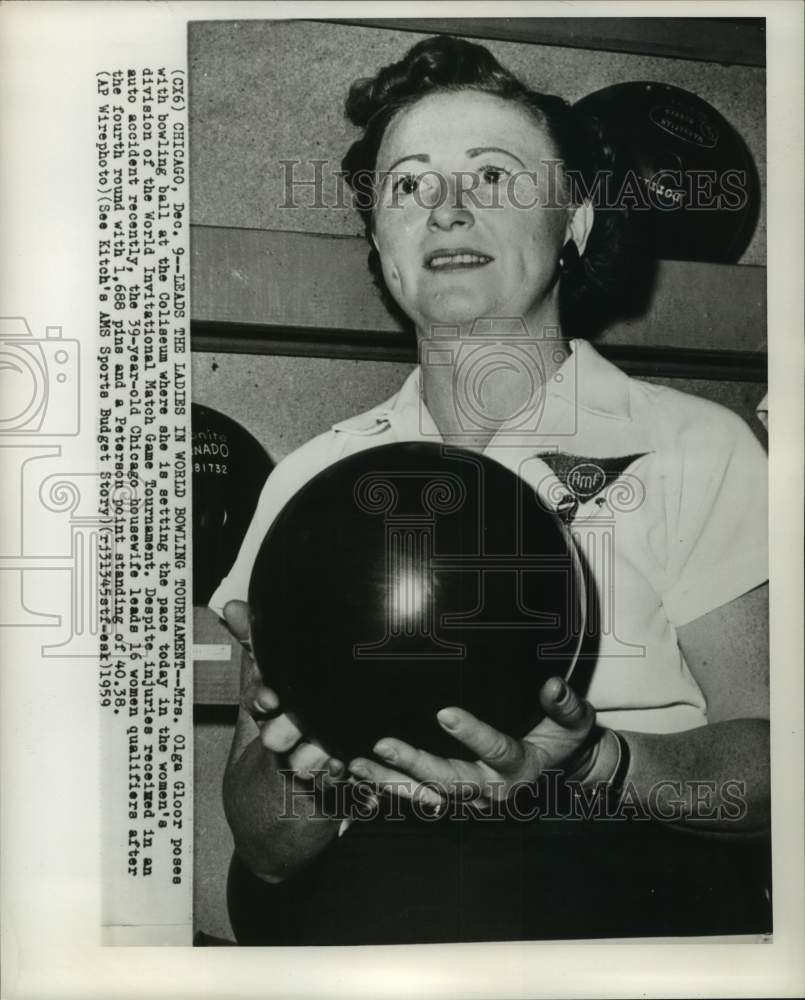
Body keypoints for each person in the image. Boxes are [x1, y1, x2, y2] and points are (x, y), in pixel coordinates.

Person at [210, 36, 770, 944]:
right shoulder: (310, 479)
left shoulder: (697, 447)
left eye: (496, 177)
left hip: (626, 884)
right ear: (380, 242)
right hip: (378, 901)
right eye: (408, 186)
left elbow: (776, 777)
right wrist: (299, 769)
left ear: (574, 223)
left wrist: (594, 765)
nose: (447, 209)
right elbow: (269, 852)